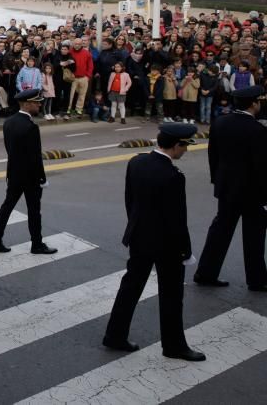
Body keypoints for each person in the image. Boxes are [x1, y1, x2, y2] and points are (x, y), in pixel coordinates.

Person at [103, 123, 206, 362]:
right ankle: (174, 346)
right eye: (185, 146)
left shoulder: (136, 162)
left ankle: (115, 334)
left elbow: (130, 201)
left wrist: (136, 228)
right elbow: (178, 220)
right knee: (171, 295)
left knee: (130, 287)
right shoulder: (173, 176)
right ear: (176, 145)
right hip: (166, 245)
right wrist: (185, 251)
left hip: (139, 237)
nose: (186, 151)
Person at [193, 86, 267, 291]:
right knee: (254, 237)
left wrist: (217, 180)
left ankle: (205, 272)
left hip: (226, 188)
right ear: (253, 104)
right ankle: (257, 279)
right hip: (251, 193)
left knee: (219, 232)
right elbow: (261, 167)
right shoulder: (257, 130)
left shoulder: (220, 122)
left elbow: (213, 156)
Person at [0, 89, 56, 254]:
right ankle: (37, 244)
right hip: (30, 177)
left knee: (7, 207)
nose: (39, 105)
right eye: (36, 102)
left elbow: (10, 150)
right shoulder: (31, 126)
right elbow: (35, 157)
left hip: (13, 173)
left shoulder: (8, 122)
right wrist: (42, 178)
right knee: (34, 212)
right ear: (27, 104)